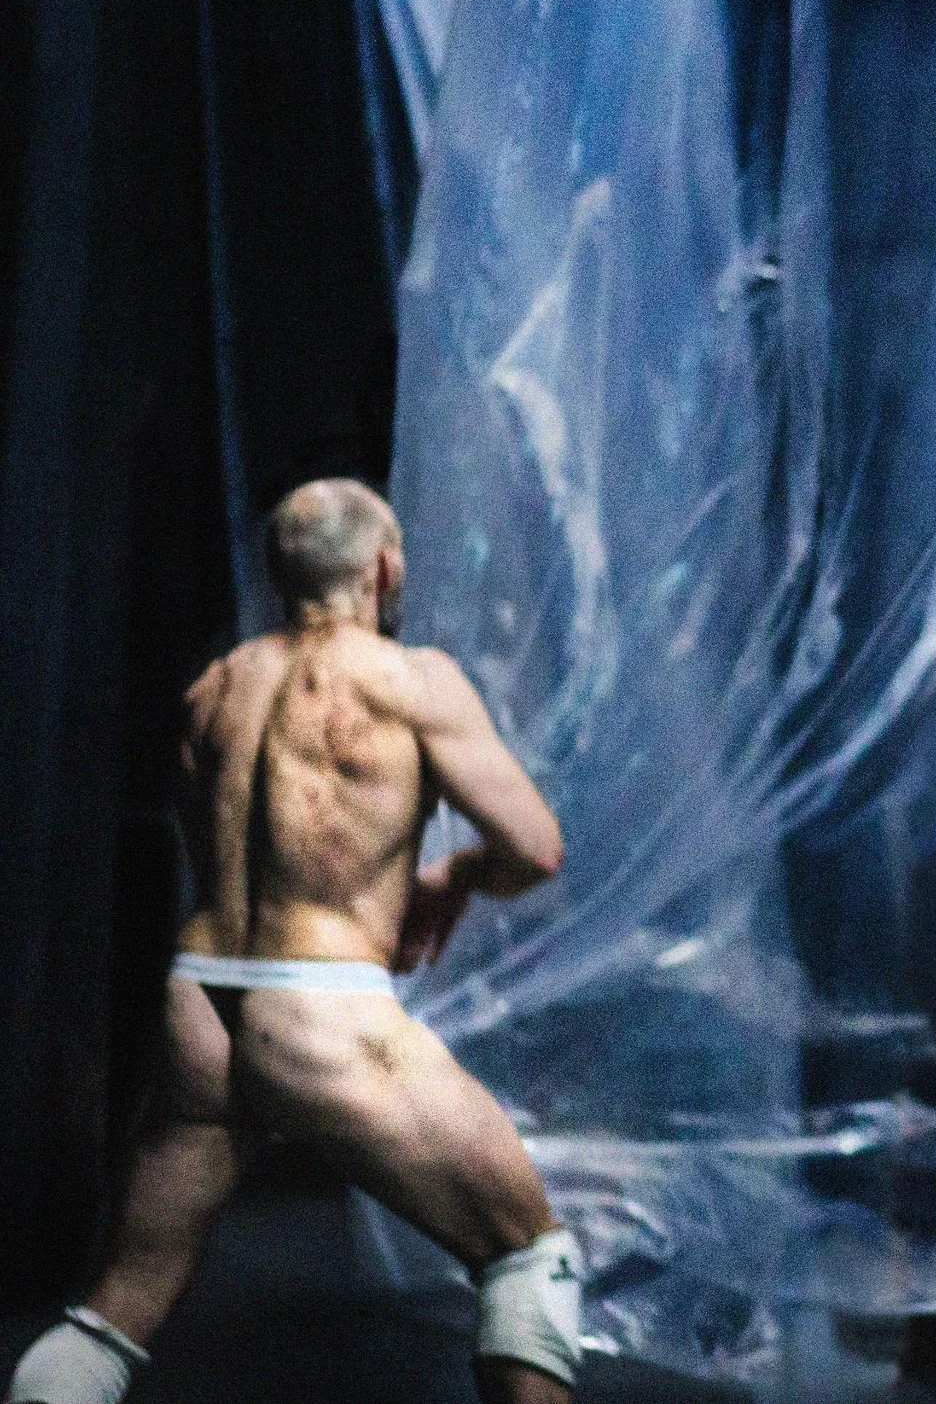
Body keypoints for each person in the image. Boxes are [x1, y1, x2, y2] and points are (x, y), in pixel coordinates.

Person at [8, 480, 580, 1404]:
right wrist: (456, 879)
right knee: (527, 1258)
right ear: (385, 567)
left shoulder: (212, 690)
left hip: (199, 1006)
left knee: (109, 1320)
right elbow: (536, 848)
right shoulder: (409, 681)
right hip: (321, 1009)